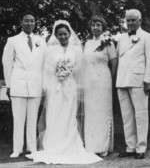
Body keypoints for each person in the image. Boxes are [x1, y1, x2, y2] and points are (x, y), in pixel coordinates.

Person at [26, 20, 102, 164]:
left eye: (65, 34)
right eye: (60, 34)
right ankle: (54, 144)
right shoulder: (50, 50)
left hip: (70, 86)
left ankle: (70, 143)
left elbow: (80, 67)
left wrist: (68, 72)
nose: (62, 37)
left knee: (69, 115)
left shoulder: (76, 49)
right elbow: (46, 69)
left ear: (69, 34)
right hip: (55, 87)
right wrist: (58, 72)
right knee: (54, 114)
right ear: (56, 35)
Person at [2, 11, 46, 158]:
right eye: (26, 21)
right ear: (21, 22)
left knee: (32, 118)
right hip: (18, 83)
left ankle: (32, 148)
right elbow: (7, 63)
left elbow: (44, 65)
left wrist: (43, 84)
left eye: (32, 21)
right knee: (18, 118)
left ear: (35, 23)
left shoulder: (41, 41)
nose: (29, 23)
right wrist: (9, 85)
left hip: (35, 84)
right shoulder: (13, 40)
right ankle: (17, 148)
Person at [116, 9, 150, 159]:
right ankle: (130, 146)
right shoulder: (122, 38)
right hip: (122, 80)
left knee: (140, 114)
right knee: (126, 115)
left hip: (138, 80)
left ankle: (141, 147)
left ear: (140, 21)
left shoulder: (147, 37)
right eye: (128, 20)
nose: (130, 23)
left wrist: (148, 80)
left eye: (133, 20)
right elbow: (119, 59)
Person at [84, 15, 117, 157]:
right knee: (91, 112)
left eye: (98, 25)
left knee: (102, 111)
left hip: (103, 80)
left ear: (103, 27)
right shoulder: (87, 43)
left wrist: (112, 80)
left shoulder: (108, 42)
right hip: (89, 81)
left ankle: (103, 146)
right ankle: (91, 145)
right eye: (93, 25)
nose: (95, 27)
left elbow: (114, 63)